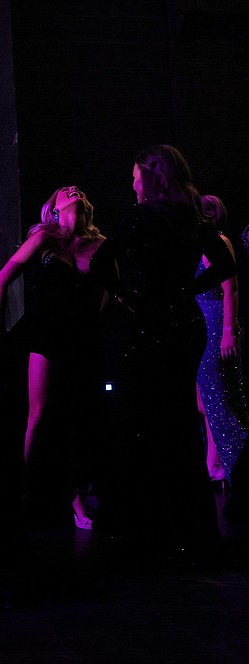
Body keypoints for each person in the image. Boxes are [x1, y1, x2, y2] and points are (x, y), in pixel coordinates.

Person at [101, 145, 235, 552]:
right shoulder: (190, 217)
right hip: (185, 321)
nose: (133, 186)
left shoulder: (140, 217)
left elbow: (100, 263)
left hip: (153, 321)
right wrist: (186, 289)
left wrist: (127, 295)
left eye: (135, 177)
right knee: (180, 418)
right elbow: (227, 265)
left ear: (151, 176)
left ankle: (151, 525)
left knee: (147, 418)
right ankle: (190, 524)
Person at [0, 186, 114, 529]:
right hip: (46, 334)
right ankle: (27, 490)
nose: (73, 190)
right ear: (55, 208)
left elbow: (112, 289)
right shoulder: (46, 238)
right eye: (65, 191)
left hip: (82, 339)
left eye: (78, 190)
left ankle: (77, 499)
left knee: (79, 417)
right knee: (40, 414)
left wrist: (94, 320)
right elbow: (1, 281)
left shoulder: (101, 244)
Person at [195, 194, 246, 483]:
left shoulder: (220, 242)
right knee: (206, 401)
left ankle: (234, 463)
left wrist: (228, 332)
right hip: (201, 324)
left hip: (216, 323)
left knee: (218, 399)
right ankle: (214, 462)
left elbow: (231, 289)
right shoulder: (198, 244)